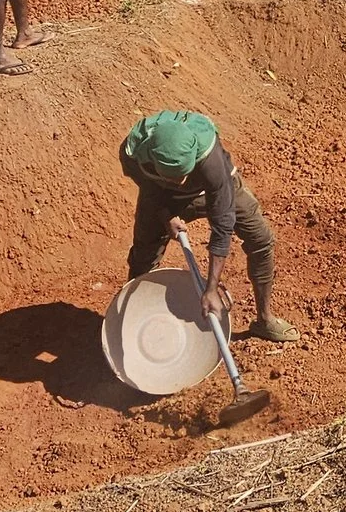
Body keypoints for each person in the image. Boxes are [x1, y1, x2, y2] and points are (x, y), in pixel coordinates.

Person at [120, 110, 299, 343]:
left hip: (214, 188)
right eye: (174, 176)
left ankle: (264, 320)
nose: (181, 182)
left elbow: (223, 223)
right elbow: (150, 191)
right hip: (165, 198)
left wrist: (211, 288)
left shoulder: (211, 159)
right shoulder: (133, 155)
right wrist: (166, 216)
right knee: (143, 256)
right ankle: (133, 323)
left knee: (260, 239)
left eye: (184, 174)